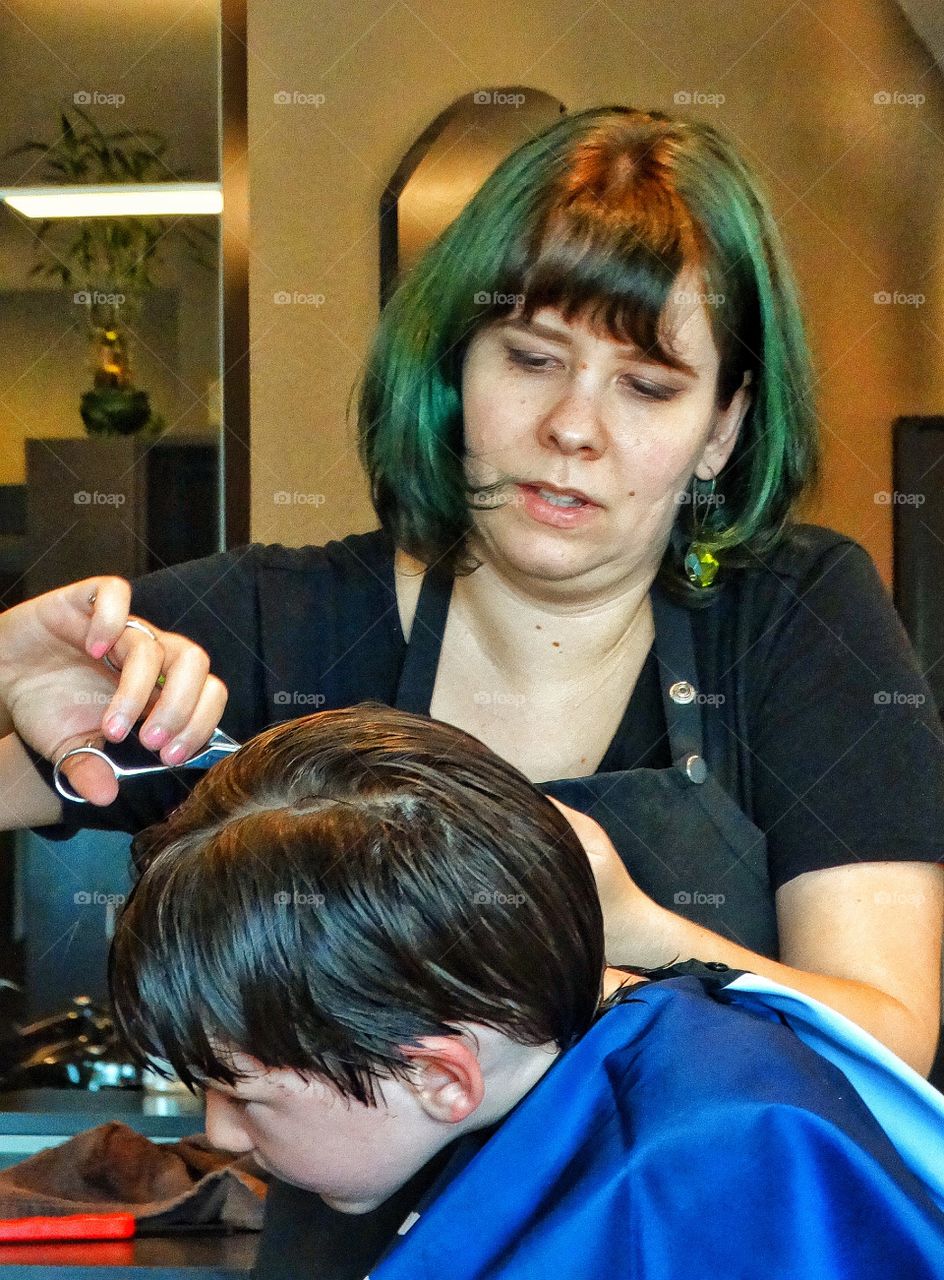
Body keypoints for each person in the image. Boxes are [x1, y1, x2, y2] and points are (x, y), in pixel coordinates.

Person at [0, 104, 942, 1074]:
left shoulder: (791, 619)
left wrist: (635, 930)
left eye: (647, 386)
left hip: (691, 1229)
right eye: (531, 358)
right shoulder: (273, 627)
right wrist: (13, 681)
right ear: (455, 366)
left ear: (720, 426)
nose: (573, 427)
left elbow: (886, 1041)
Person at [108, 705, 944, 1280]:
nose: (216, 1130)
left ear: (439, 1078)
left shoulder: (707, 1173)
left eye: (242, 1094)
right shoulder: (603, 1059)